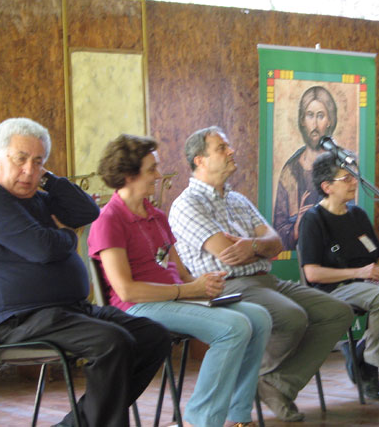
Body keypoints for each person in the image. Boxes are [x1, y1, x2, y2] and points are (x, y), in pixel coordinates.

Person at [0, 118, 170, 427]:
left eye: (38, 161)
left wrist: (49, 181)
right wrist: (68, 235)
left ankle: (76, 425)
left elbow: (88, 212)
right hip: (21, 319)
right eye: (21, 159)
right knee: (112, 343)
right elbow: (41, 248)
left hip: (69, 311)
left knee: (152, 336)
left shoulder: (36, 198)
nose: (29, 170)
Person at [169, 126, 354, 422]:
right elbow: (225, 252)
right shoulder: (186, 204)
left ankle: (275, 383)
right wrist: (259, 246)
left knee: (338, 312)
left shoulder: (237, 200)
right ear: (200, 160)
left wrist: (253, 245)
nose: (231, 152)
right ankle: (247, 379)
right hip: (228, 286)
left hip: (267, 281)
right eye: (222, 148)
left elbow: (276, 243)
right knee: (292, 317)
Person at [88, 134, 272, 427]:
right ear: (128, 175)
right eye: (151, 169)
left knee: (260, 318)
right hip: (137, 308)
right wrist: (187, 290)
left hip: (176, 297)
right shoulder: (108, 220)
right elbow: (126, 289)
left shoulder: (156, 216)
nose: (159, 175)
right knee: (234, 327)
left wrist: (206, 284)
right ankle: (200, 421)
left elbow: (180, 271)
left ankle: (238, 418)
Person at [297, 152, 379, 400]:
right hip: (335, 288)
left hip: (370, 284)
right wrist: (361, 272)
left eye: (354, 176)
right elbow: (312, 273)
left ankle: (360, 353)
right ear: (327, 187)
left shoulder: (357, 215)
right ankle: (369, 368)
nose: (354, 182)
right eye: (347, 178)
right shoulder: (314, 220)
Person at [273, 85, 338, 250]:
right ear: (302, 120)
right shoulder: (290, 172)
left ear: (330, 120)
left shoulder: (341, 165)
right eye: (310, 116)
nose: (315, 125)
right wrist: (296, 229)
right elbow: (278, 231)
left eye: (321, 116)